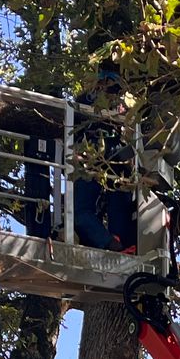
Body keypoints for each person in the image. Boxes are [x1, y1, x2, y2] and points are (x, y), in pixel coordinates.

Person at [73, 64, 136, 251]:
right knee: (118, 212)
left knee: (81, 213)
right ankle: (118, 244)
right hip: (119, 158)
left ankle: (110, 242)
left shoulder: (85, 97)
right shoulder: (128, 100)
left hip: (94, 156)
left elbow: (74, 132)